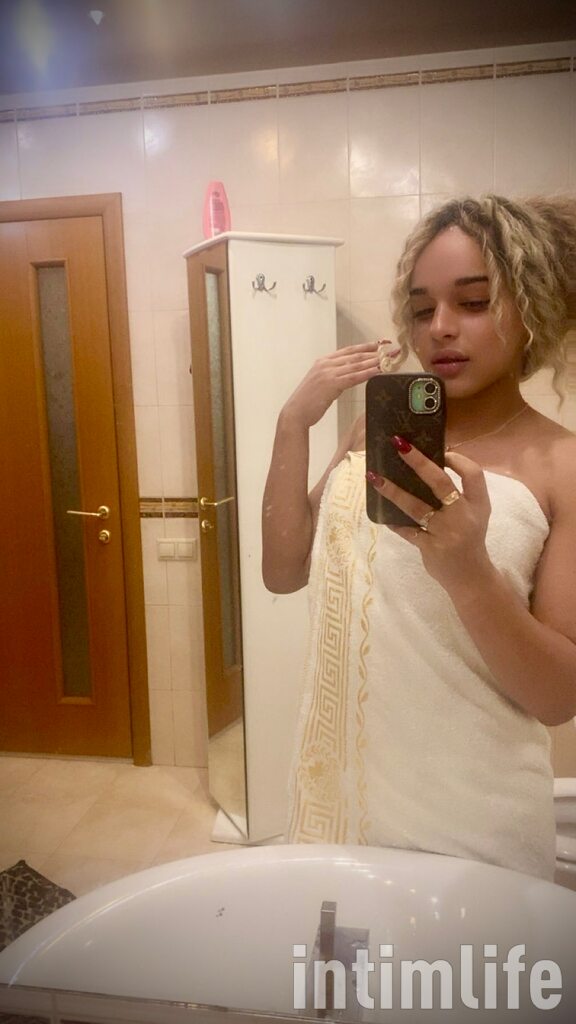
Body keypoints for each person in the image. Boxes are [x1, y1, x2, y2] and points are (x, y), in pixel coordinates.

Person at [261, 194, 576, 880]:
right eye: (421, 307)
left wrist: (468, 572)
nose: (441, 328)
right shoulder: (374, 435)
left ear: (533, 310)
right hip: (338, 803)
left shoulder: (563, 467)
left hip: (472, 825)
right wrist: (293, 423)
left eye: (474, 302)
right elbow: (284, 571)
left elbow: (558, 698)